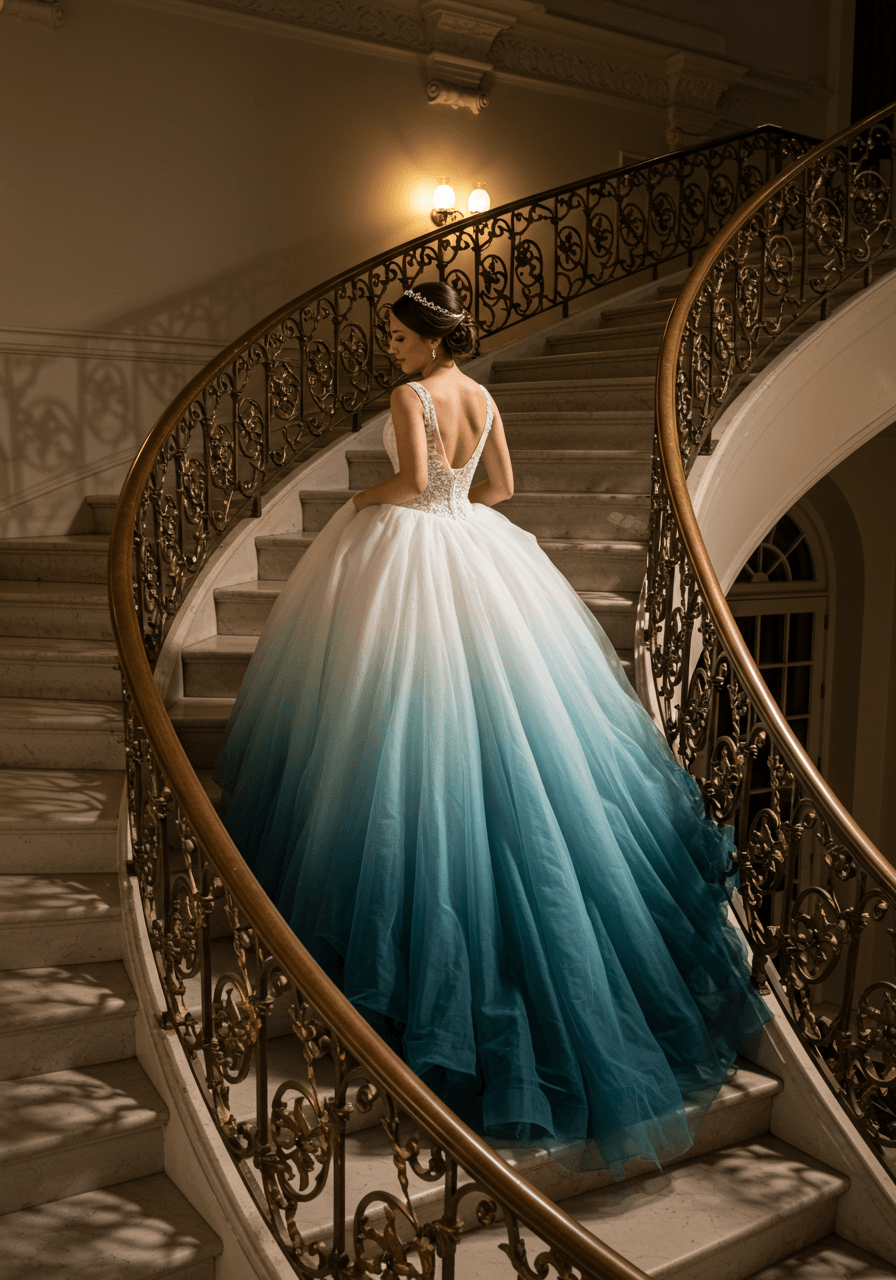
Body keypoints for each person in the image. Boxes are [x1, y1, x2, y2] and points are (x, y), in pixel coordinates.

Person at [213, 281, 771, 1180]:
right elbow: (499, 487)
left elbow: (410, 480)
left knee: (390, 713)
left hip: (412, 546)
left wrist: (365, 506)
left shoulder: (411, 397)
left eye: (397, 336)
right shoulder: (483, 394)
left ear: (428, 342)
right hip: (476, 548)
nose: (389, 350)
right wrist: (455, 509)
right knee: (505, 718)